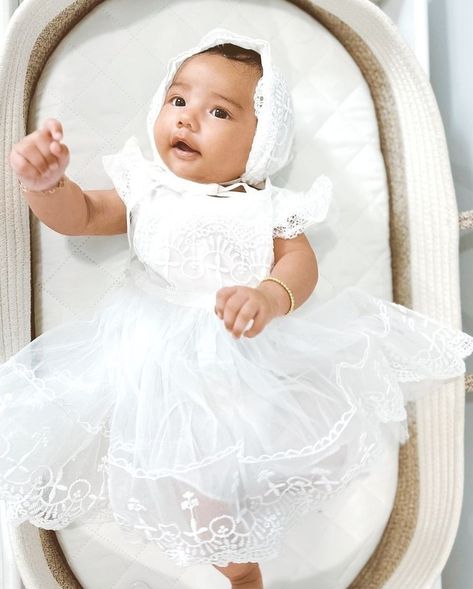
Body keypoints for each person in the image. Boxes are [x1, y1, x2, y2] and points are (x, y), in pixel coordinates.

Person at [3, 28, 473, 589]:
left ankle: (245, 549)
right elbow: (78, 215)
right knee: (191, 479)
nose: (186, 119)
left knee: (251, 456)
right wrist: (47, 185)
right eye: (178, 100)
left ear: (263, 138)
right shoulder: (146, 188)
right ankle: (240, 568)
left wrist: (270, 295)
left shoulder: (267, 206)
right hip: (151, 356)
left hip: (243, 356)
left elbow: (300, 263)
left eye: (218, 112)